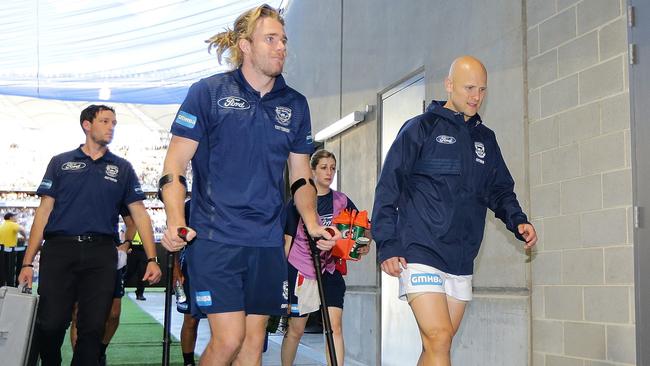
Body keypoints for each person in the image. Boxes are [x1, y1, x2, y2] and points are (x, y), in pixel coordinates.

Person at [158, 4, 340, 365]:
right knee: (229, 339)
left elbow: (301, 176)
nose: (280, 47)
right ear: (245, 45)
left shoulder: (295, 104)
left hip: (268, 242)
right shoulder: (208, 92)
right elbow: (175, 164)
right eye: (270, 39)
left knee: (254, 346)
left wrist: (314, 223)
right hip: (216, 237)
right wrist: (176, 218)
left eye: (284, 40)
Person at [372, 56, 538, 366]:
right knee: (440, 338)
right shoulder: (420, 128)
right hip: (421, 251)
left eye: (483, 90)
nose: (476, 96)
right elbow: (388, 187)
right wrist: (387, 244)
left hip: (461, 258)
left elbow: (499, 189)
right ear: (449, 85)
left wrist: (518, 220)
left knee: (437, 346)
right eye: (469, 87)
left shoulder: (485, 140)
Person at [17, 104, 162, 366]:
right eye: (105, 121)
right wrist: (28, 262)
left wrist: (152, 258)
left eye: (114, 123)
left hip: (101, 254)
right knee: (50, 324)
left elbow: (140, 214)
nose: (111, 127)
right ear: (87, 125)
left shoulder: (123, 168)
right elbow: (43, 213)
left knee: (93, 329)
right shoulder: (60, 162)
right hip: (60, 251)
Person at [281, 150, 370, 366]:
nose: (329, 172)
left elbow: (363, 230)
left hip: (331, 269)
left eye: (332, 168)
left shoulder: (342, 200)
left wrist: (362, 245)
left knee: (334, 326)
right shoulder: (298, 201)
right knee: (296, 329)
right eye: (323, 167)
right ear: (312, 170)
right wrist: (280, 277)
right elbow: (287, 241)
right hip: (302, 270)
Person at [70, 210, 135, 366]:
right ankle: (81, 359)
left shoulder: (115, 187)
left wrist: (126, 244)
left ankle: (100, 352)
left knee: (114, 313)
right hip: (76, 250)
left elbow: (132, 222)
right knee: (79, 313)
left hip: (108, 253)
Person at [172, 199, 201, 366]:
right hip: (191, 268)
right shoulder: (189, 206)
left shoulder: (227, 202)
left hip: (220, 268)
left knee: (221, 321)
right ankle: (188, 362)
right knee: (190, 320)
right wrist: (176, 268)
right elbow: (177, 237)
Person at [0, 212, 27, 286]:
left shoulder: (2, 225)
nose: (16, 218)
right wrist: (25, 238)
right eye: (15, 217)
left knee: (3, 273)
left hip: (1, 251)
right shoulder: (13, 224)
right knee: (11, 273)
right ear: (11, 218)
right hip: (10, 252)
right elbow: (22, 230)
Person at [126, 228, 148, 300]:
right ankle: (119, 288)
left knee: (142, 273)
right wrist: (127, 247)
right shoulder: (131, 224)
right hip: (133, 249)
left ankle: (140, 293)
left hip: (143, 249)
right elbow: (126, 234)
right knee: (130, 271)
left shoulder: (146, 224)